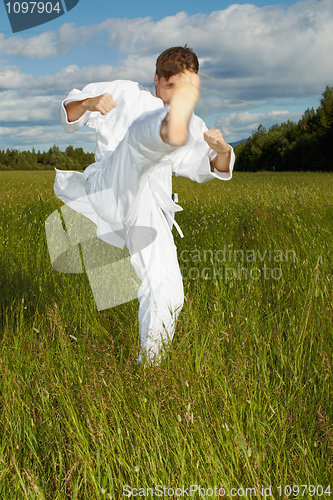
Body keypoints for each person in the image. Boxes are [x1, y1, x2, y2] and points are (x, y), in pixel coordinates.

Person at [55, 46, 235, 365]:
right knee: (136, 144)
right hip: (110, 184)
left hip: (149, 204)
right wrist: (89, 103)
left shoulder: (195, 125)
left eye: (183, 89)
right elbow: (69, 114)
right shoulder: (123, 91)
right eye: (169, 86)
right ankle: (164, 129)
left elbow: (207, 168)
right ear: (156, 78)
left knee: (167, 290)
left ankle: (150, 368)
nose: (172, 94)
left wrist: (222, 150)